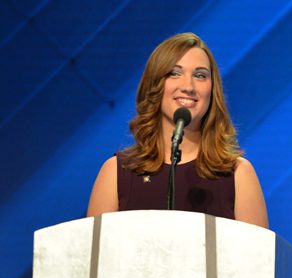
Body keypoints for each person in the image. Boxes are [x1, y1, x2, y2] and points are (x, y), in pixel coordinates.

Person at [87, 33, 268, 228]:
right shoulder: (116, 172)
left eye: (200, 75)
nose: (188, 86)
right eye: (174, 73)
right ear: (154, 84)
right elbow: (93, 256)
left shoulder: (238, 174)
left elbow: (257, 257)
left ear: (212, 90)